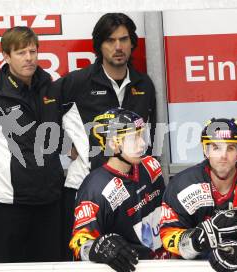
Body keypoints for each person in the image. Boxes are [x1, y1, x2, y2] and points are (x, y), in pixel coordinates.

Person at [56, 13, 158, 259]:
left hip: (131, 192)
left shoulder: (144, 84)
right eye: (110, 40)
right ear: (99, 45)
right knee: (88, 257)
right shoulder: (78, 81)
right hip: (85, 188)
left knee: (133, 258)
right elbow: (43, 110)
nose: (118, 47)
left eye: (124, 39)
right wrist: (65, 145)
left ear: (132, 42)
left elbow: (151, 133)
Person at [0, 26, 64, 262]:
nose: (29, 58)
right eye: (20, 53)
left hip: (48, 197)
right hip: (5, 201)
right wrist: (11, 171)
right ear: (6, 56)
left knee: (51, 267)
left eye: (32, 51)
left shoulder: (53, 89)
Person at [159, 118, 237, 272]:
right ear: (206, 151)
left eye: (230, 148)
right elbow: (167, 233)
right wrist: (194, 240)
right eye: (216, 147)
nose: (223, 155)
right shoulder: (181, 186)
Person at [69, 108, 167, 272]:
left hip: (166, 263)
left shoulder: (151, 165)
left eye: (141, 135)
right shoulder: (95, 188)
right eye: (134, 138)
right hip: (130, 267)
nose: (143, 143)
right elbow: (79, 241)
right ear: (113, 144)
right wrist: (98, 247)